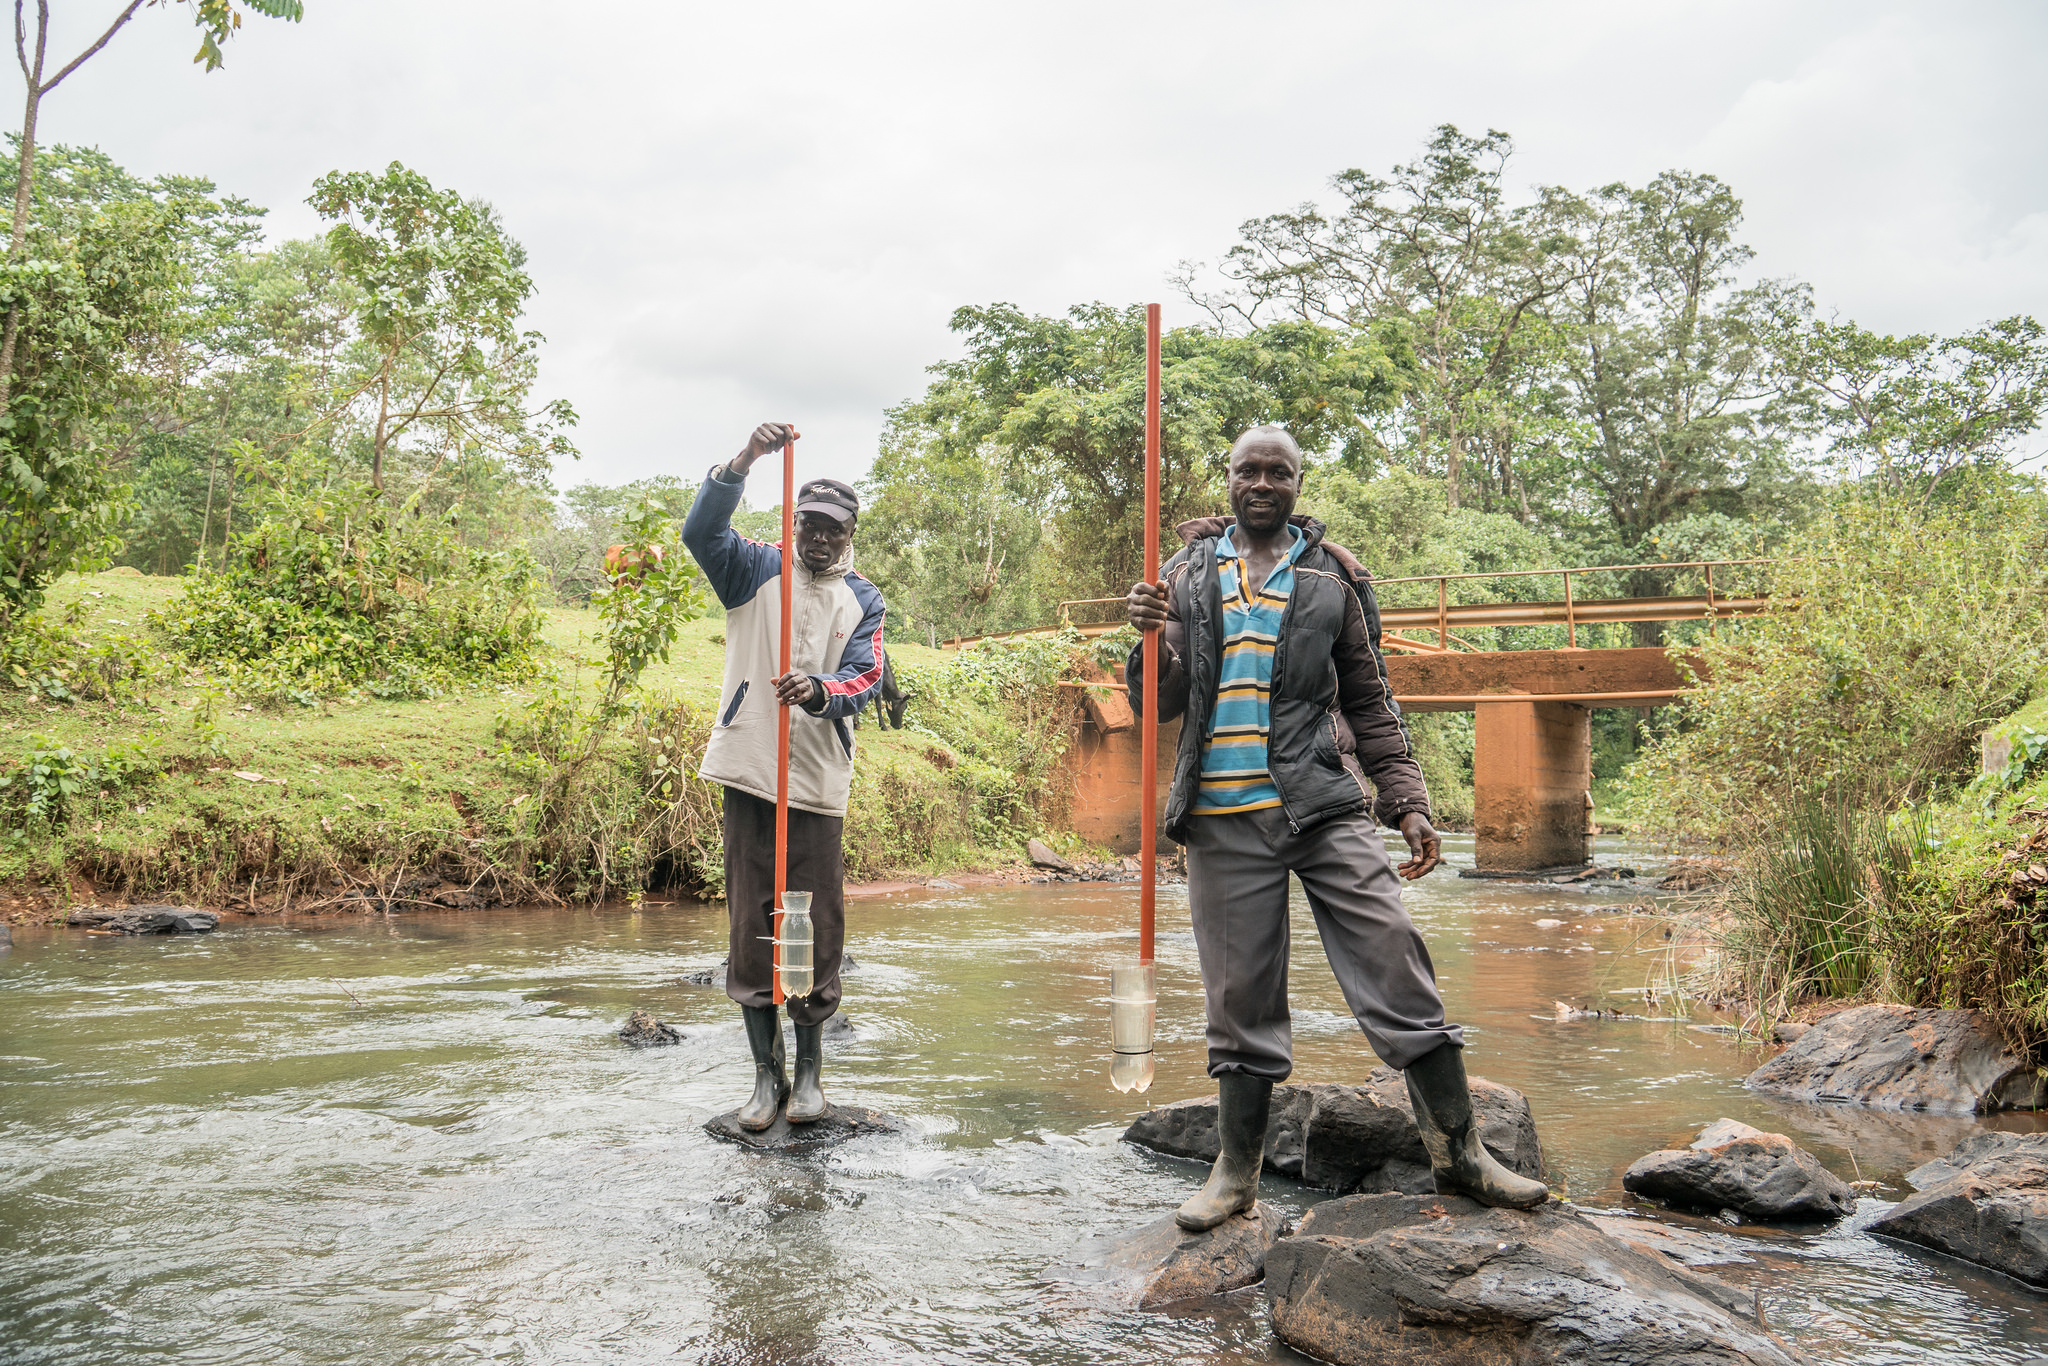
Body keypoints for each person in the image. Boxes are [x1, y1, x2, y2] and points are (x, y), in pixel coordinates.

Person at [1125, 424, 1548, 1230]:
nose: (1261, 482)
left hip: (1323, 804)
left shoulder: (1334, 577)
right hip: (1220, 817)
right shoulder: (1181, 576)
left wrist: (1407, 799)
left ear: (1297, 483)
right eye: (1247, 470)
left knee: (1394, 958)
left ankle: (1462, 1156)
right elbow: (1158, 705)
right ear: (1228, 479)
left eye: (1277, 472)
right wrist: (1145, 640)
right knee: (1239, 996)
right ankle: (1235, 1175)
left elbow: (1370, 698)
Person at [682, 422, 887, 1130]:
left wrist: (822, 690)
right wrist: (745, 460)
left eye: (834, 529)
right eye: (810, 525)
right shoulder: (754, 568)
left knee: (812, 927)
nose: (820, 539)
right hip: (749, 772)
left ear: (851, 532)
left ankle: (808, 1078)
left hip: (815, 785)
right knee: (750, 924)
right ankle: (763, 1080)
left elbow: (868, 676)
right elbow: (700, 531)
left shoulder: (864, 598)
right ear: (793, 523)